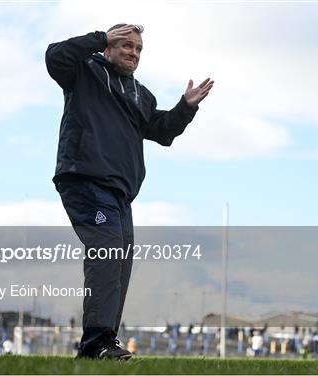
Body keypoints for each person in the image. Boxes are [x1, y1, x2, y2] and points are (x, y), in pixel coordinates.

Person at [45, 23, 213, 360]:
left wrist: (186, 107)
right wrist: (100, 37)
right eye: (125, 45)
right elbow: (54, 57)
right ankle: (97, 341)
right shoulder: (85, 70)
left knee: (119, 265)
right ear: (108, 48)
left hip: (121, 194)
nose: (132, 53)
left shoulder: (142, 95)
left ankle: (102, 343)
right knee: (107, 254)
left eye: (137, 48)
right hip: (86, 179)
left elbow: (162, 131)